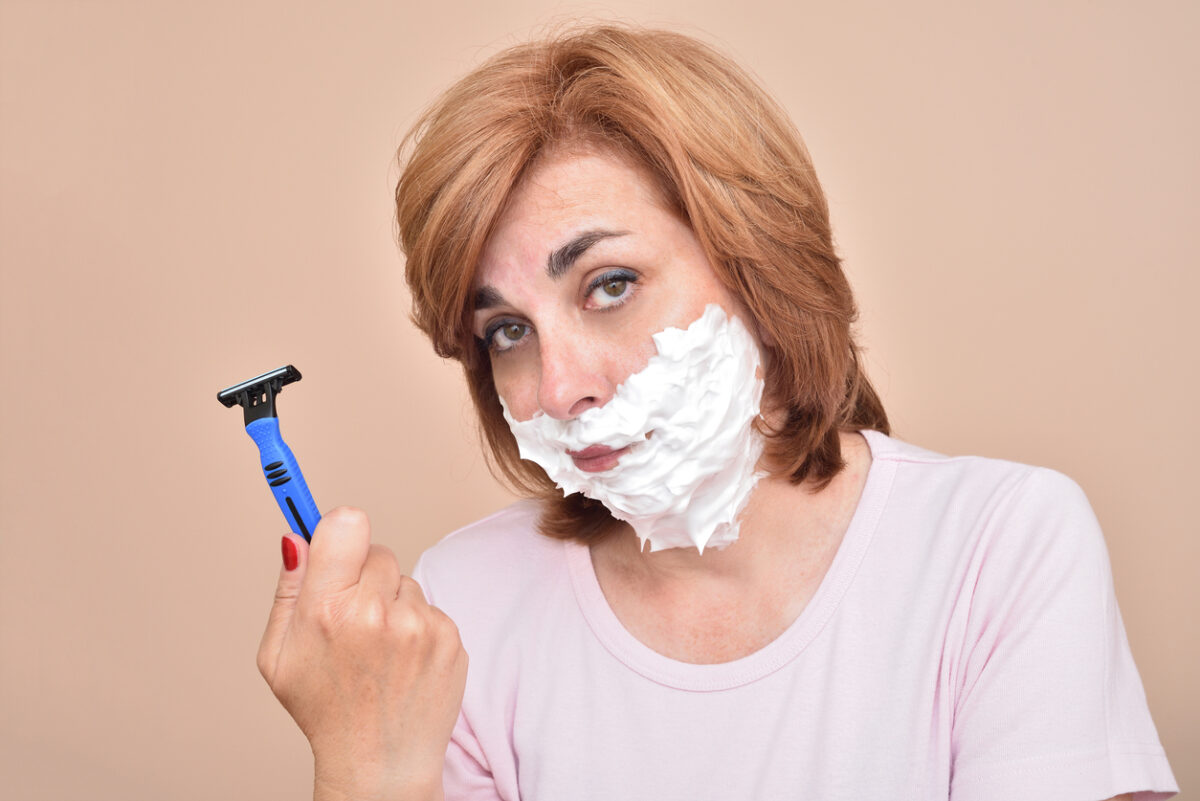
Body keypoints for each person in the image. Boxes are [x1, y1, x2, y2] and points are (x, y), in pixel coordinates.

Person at [255, 24, 1178, 801]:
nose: (558, 386)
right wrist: (366, 767)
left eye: (610, 284)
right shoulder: (464, 609)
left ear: (762, 267)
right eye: (506, 331)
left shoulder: (999, 547)